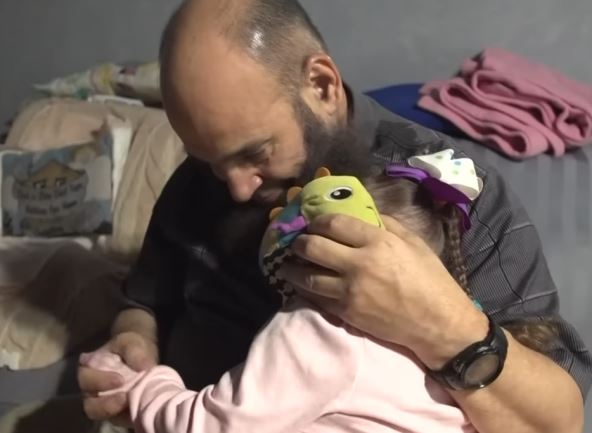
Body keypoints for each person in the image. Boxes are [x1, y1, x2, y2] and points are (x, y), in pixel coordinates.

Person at [78, 1, 591, 432]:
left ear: (321, 85)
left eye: (255, 153)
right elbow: (145, 301)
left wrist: (440, 323)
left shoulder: (449, 192)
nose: (235, 187)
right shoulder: (198, 183)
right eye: (211, 161)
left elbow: (559, 422)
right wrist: (133, 343)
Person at [82, 162, 558, 433]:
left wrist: (142, 386)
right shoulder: (448, 354)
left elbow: (211, 426)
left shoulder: (319, 330)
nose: (239, 186)